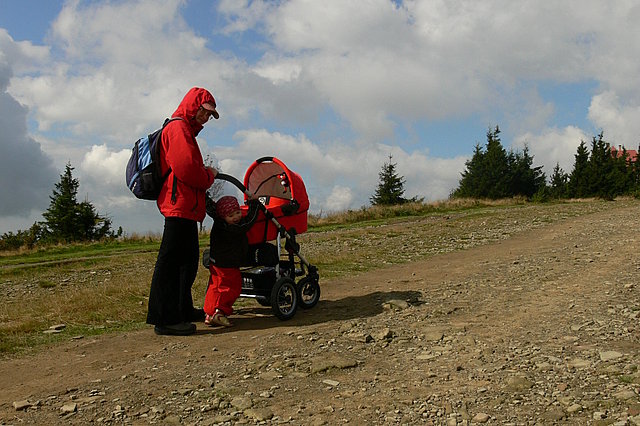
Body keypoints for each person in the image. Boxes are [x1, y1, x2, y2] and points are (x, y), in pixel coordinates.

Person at [146, 87, 219, 336]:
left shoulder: (185, 130)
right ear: (193, 106)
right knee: (170, 263)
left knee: (186, 263)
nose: (207, 118)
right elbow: (187, 169)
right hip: (178, 206)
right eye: (205, 111)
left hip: (185, 208)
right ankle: (165, 319)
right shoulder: (177, 129)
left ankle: (182, 309)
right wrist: (209, 175)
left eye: (210, 114)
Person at [203, 195, 260, 327]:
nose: (236, 217)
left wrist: (206, 198)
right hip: (227, 263)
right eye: (231, 215)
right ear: (224, 216)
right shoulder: (232, 228)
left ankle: (209, 313)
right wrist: (254, 205)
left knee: (215, 287)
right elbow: (248, 223)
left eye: (238, 212)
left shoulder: (218, 220)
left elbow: (212, 208)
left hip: (216, 261)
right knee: (231, 287)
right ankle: (220, 312)